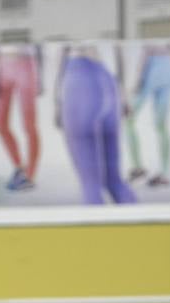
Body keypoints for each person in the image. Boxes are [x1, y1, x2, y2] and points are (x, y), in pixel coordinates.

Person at [55, 43, 136, 205]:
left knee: (90, 184)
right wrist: (123, 94)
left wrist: (57, 103)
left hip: (79, 80)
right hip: (107, 80)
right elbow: (120, 50)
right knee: (114, 180)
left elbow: (61, 53)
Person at [125, 42, 170, 188]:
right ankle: (164, 174)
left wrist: (137, 81)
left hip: (152, 68)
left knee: (128, 120)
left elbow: (146, 51)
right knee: (162, 126)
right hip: (168, 68)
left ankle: (138, 168)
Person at [0, 44, 42, 191]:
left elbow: (38, 46)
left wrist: (40, 77)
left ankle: (30, 176)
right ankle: (19, 167)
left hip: (25, 64)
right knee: (0, 124)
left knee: (29, 125)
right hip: (2, 66)